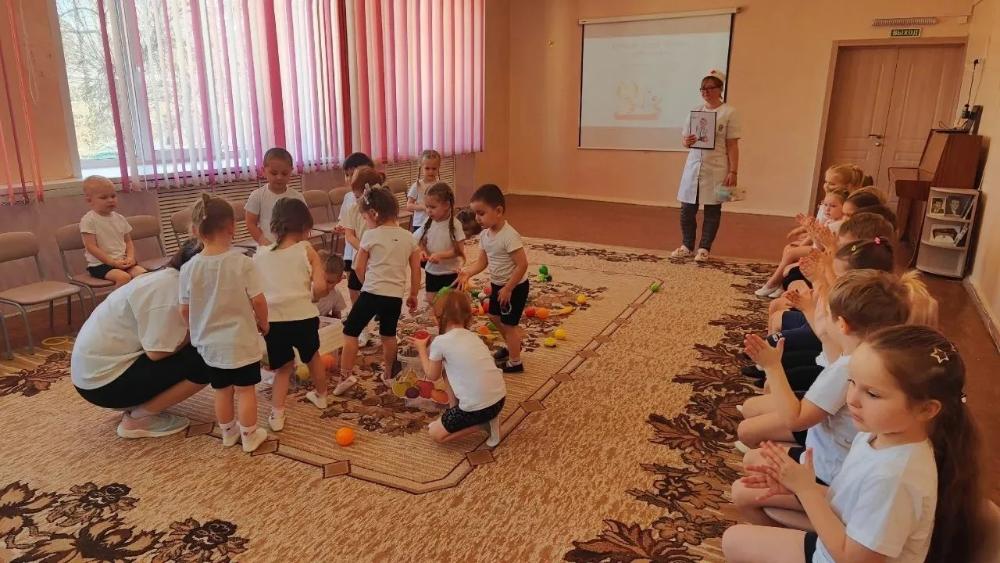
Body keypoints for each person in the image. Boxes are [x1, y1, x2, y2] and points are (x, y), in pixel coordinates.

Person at [723, 326, 988, 563]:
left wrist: (805, 490)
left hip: (844, 552)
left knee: (734, 540)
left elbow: (853, 559)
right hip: (844, 535)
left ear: (926, 409)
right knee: (747, 506)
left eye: (872, 393)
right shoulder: (876, 434)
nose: (852, 399)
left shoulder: (893, 478)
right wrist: (799, 486)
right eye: (851, 382)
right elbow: (847, 501)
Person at [734, 270, 912, 499]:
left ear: (842, 325)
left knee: (750, 462)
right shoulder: (873, 354)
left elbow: (795, 419)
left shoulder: (850, 366)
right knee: (756, 436)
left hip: (828, 469)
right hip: (829, 448)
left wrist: (772, 366)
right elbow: (828, 352)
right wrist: (812, 312)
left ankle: (811, 513)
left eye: (826, 313)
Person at [72, 240, 209, 438]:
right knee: (209, 356)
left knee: (205, 342)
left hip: (95, 375)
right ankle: (139, 419)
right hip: (102, 385)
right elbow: (157, 352)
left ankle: (138, 404)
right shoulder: (168, 291)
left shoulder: (165, 278)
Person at [179, 194, 270, 452]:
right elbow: (259, 301)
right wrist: (264, 323)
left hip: (210, 343)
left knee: (221, 390)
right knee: (245, 390)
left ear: (196, 230)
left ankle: (228, 433)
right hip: (240, 341)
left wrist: (196, 328)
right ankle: (250, 436)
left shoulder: (188, 268)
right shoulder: (242, 262)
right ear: (232, 226)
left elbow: (184, 309)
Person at [336, 185, 421, 395]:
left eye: (365, 218)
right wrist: (413, 294)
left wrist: (366, 283)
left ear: (374, 214)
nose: (366, 222)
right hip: (394, 297)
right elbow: (416, 270)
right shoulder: (409, 237)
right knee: (388, 335)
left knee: (350, 332)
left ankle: (346, 376)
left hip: (371, 293)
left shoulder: (370, 236)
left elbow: (358, 267)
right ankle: (389, 374)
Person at [253, 198, 329, 427]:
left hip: (274, 320)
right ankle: (322, 397)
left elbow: (254, 293)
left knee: (284, 368)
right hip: (304, 317)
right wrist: (312, 297)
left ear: (274, 226)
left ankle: (277, 415)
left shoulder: (260, 254)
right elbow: (321, 287)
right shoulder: (306, 249)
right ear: (305, 227)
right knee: (313, 357)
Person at [412, 291, 506, 447]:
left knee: (435, 434)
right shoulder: (472, 336)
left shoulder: (440, 342)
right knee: (446, 368)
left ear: (438, 318)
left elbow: (431, 375)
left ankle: (484, 424)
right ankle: (455, 410)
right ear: (468, 316)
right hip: (499, 399)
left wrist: (421, 349)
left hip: (479, 409)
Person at [457, 185, 530, 374]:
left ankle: (515, 362)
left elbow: (522, 265)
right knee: (493, 316)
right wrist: (468, 272)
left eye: (481, 213)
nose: (477, 218)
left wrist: (509, 288)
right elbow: (482, 262)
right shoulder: (485, 235)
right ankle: (513, 345)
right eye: (476, 213)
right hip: (499, 285)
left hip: (515, 287)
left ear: (498, 211)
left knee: (509, 324)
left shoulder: (509, 236)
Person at [673, 69, 741, 262]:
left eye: (710, 88)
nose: (706, 92)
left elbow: (732, 145)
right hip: (694, 166)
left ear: (720, 89)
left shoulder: (729, 112)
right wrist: (687, 142)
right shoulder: (695, 112)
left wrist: (733, 171)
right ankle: (687, 245)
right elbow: (685, 141)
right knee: (687, 209)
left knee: (712, 210)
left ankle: (704, 248)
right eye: (703, 89)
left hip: (716, 168)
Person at [338, 166, 384, 347]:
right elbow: (349, 235)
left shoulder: (382, 208)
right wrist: (364, 249)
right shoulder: (352, 209)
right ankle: (362, 328)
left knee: (380, 291)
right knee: (354, 290)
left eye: (359, 195)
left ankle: (385, 326)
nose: (357, 199)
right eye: (355, 196)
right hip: (361, 257)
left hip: (380, 258)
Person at [79, 175, 146, 286]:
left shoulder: (120, 218)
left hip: (122, 260)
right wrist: (112, 262)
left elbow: (128, 241)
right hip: (100, 264)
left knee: (143, 275)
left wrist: (130, 257)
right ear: (89, 200)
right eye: (104, 197)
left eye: (113, 196)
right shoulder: (88, 220)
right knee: (123, 277)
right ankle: (118, 298)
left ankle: (138, 298)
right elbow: (91, 247)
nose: (110, 200)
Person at [414, 183, 466, 305]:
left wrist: (440, 255)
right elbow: (420, 241)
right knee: (432, 300)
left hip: (450, 272)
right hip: (432, 271)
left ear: (446, 205)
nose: (428, 210)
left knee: (450, 302)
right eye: (427, 206)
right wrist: (422, 251)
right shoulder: (428, 222)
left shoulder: (455, 225)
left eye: (432, 207)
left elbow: (459, 250)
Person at [245, 147, 306, 246]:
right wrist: (262, 240)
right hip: (267, 247)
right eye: (274, 173)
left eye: (284, 173)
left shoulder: (297, 197)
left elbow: (304, 224)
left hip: (292, 247)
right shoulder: (257, 196)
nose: (279, 177)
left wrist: (300, 242)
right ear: (264, 171)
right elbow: (250, 222)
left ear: (291, 171)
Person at [405, 149, 442, 232]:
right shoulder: (417, 185)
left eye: (434, 168)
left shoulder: (440, 185)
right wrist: (422, 207)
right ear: (421, 167)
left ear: (438, 168)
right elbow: (409, 206)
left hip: (436, 222)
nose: (431, 171)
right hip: (420, 223)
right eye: (427, 168)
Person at [315, 252, 347, 319]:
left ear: (338, 280)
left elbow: (337, 316)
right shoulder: (307, 290)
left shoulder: (336, 294)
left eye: (330, 282)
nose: (324, 284)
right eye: (321, 279)